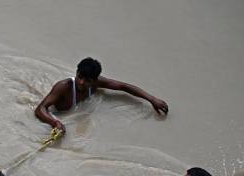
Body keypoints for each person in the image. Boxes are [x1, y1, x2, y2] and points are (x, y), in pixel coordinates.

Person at [35, 57, 169, 133]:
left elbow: (123, 86)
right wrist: (54, 122)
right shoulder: (64, 86)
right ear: (77, 72)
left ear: (94, 80)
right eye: (80, 77)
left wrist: (151, 99)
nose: (81, 82)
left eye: (87, 80)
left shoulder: (97, 83)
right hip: (54, 115)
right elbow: (40, 109)